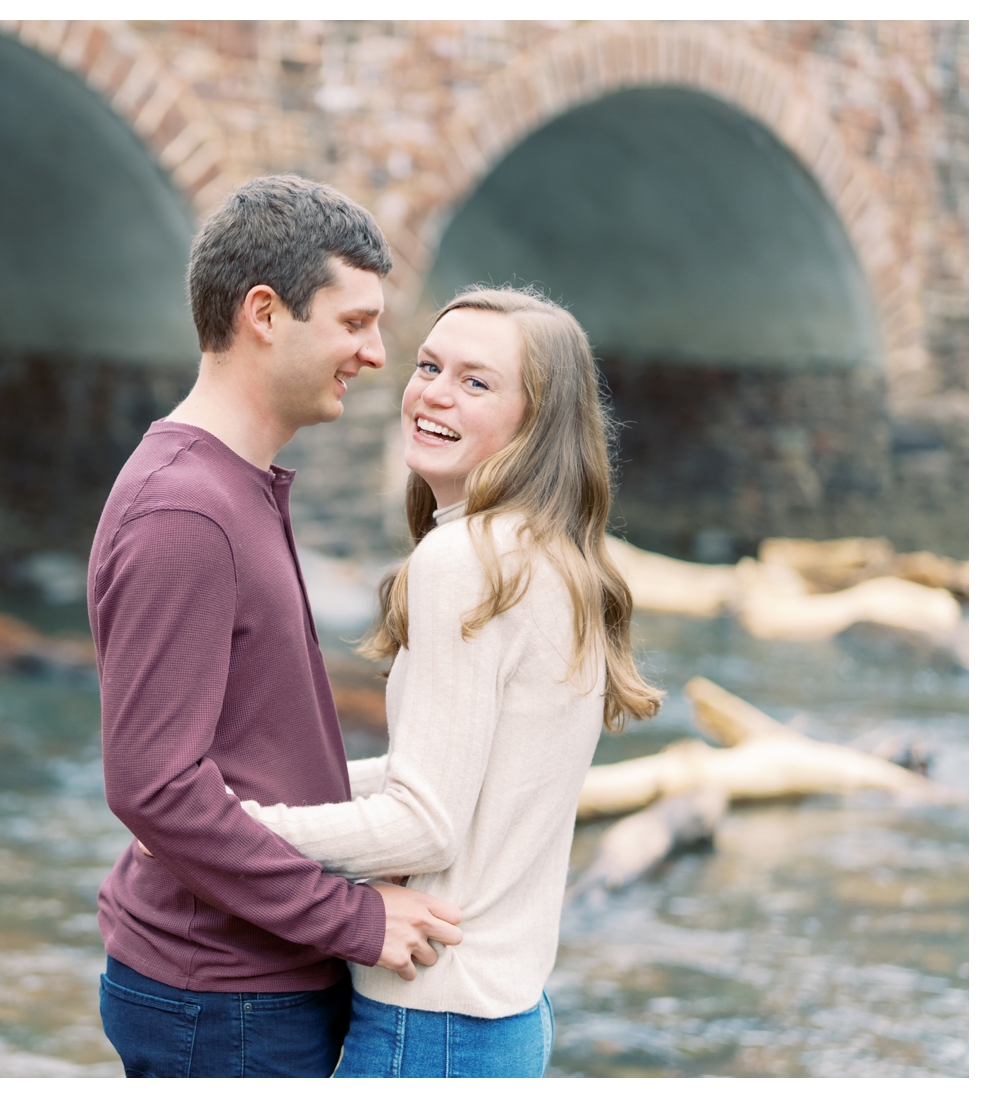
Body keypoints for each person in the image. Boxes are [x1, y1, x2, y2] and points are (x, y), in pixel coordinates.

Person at [87, 175, 464, 1079]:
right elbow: (154, 788)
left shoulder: (230, 486)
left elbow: (242, 756)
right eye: (352, 322)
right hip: (219, 1000)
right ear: (264, 312)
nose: (376, 355)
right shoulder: (186, 511)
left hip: (246, 987)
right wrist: (353, 919)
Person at [238, 285, 665, 1077]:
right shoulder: (556, 557)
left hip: (431, 1027)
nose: (434, 392)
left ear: (536, 424)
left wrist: (235, 830)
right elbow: (447, 780)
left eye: (477, 382)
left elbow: (423, 823)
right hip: (506, 1018)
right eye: (430, 365)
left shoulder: (464, 561)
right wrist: (276, 794)